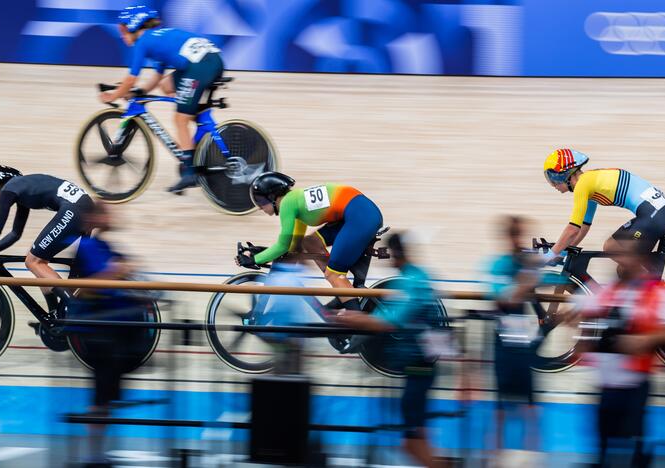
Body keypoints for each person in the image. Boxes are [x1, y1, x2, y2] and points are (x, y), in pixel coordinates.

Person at [574, 240, 665, 467]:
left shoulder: (658, 291)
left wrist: (647, 339)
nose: (618, 261)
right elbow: (583, 311)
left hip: (634, 385)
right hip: (606, 386)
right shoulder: (609, 291)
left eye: (624, 256)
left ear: (640, 260)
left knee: (632, 450)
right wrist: (582, 335)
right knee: (604, 448)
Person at [335, 233, 444, 468]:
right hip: (419, 367)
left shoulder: (411, 282)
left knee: (411, 441)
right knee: (417, 435)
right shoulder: (417, 276)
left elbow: (389, 321)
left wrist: (352, 318)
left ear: (397, 255)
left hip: (419, 368)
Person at [101, 4, 224, 194]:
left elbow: (130, 78)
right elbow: (157, 78)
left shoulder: (143, 42)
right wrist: (138, 92)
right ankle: (191, 144)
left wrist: (113, 95)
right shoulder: (157, 38)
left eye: (123, 29)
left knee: (180, 118)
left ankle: (190, 172)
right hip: (206, 61)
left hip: (201, 66)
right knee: (167, 85)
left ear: (133, 25)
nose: (122, 34)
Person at [0, 166, 94, 327]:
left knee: (33, 261)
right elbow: (15, 233)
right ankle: (55, 315)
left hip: (75, 209)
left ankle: (74, 305)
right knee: (38, 261)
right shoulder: (20, 189)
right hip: (82, 207)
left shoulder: (8, 190)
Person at [66, 203, 149, 468]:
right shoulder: (89, 247)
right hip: (99, 334)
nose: (113, 217)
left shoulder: (105, 246)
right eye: (106, 213)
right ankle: (93, 454)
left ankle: (98, 453)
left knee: (106, 397)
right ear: (93, 218)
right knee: (101, 397)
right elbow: (95, 286)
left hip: (113, 332)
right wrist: (122, 270)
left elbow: (119, 280)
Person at [240, 172, 383, 311]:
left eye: (261, 201)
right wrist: (264, 252)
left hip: (361, 216)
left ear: (272, 196)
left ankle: (356, 324)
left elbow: (283, 245)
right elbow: (293, 244)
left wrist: (256, 259)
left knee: (333, 274)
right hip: (359, 212)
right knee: (310, 242)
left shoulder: (287, 204)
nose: (260, 207)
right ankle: (341, 291)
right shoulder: (295, 202)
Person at [542, 149, 665, 268]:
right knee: (623, 272)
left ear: (566, 174)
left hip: (656, 214)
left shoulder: (582, 185)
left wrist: (551, 254)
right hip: (660, 212)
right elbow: (584, 225)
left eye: (553, 177)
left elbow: (573, 229)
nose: (553, 184)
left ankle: (654, 288)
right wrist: (564, 250)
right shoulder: (588, 183)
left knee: (611, 247)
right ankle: (649, 284)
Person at [485, 216, 543, 462]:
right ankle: (497, 456)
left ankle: (533, 457)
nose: (518, 240)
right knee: (501, 407)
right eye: (515, 235)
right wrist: (528, 275)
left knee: (530, 406)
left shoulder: (525, 262)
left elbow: (542, 288)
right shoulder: (500, 265)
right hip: (503, 339)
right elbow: (504, 299)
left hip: (522, 339)